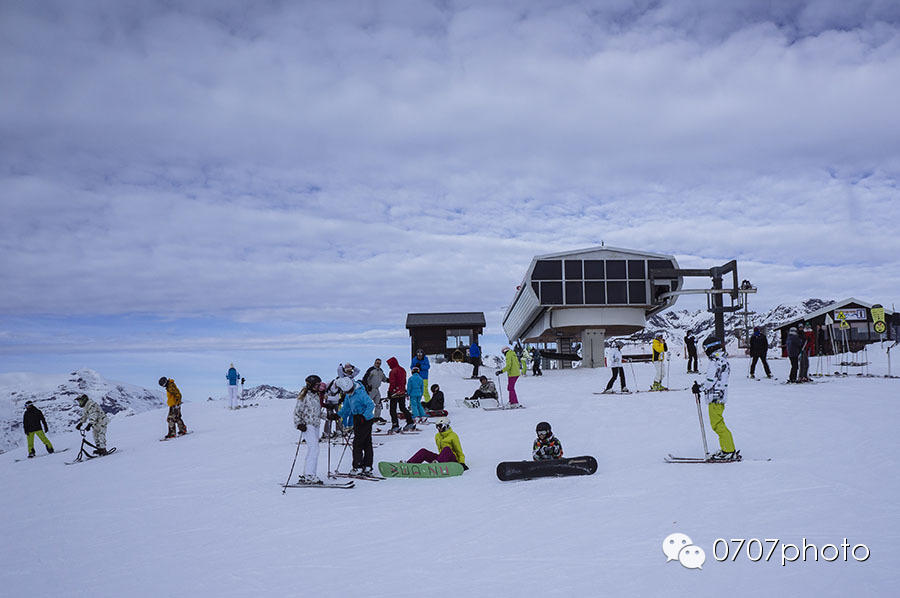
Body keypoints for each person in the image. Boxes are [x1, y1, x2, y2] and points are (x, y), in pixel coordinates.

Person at [696, 336, 738, 460]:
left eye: (706, 349)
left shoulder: (715, 362)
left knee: (717, 424)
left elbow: (710, 381)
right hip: (720, 396)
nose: (705, 352)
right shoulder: (723, 360)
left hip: (715, 397)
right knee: (719, 423)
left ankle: (729, 450)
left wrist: (700, 388)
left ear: (711, 348)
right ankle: (727, 448)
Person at [337, 376, 376, 475]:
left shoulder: (360, 393)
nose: (349, 393)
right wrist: (337, 415)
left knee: (358, 443)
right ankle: (367, 466)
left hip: (365, 419)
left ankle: (358, 467)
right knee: (366, 442)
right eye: (346, 392)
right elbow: (346, 408)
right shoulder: (348, 395)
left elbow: (370, 405)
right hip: (357, 418)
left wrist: (363, 417)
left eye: (350, 390)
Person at [294, 375, 324, 483]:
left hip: (315, 425)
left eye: (319, 385)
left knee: (314, 449)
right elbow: (297, 411)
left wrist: (328, 416)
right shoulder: (304, 395)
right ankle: (309, 475)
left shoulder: (316, 396)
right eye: (316, 385)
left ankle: (310, 473)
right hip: (307, 425)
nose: (318, 387)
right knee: (314, 449)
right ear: (310, 384)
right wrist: (299, 424)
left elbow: (317, 413)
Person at [386, 356, 415, 432]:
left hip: (395, 393)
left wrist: (389, 392)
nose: (389, 366)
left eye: (389, 364)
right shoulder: (402, 370)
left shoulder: (393, 371)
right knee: (403, 408)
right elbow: (404, 381)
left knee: (393, 410)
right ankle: (410, 422)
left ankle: (395, 425)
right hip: (402, 391)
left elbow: (392, 383)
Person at [362, 358, 389, 424]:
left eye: (379, 363)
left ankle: (376, 418)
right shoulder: (371, 370)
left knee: (378, 404)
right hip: (370, 390)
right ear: (374, 363)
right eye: (377, 363)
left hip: (377, 389)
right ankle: (364, 417)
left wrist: (391, 380)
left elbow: (384, 379)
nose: (378, 364)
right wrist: (367, 387)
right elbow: (365, 379)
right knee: (367, 404)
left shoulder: (380, 371)